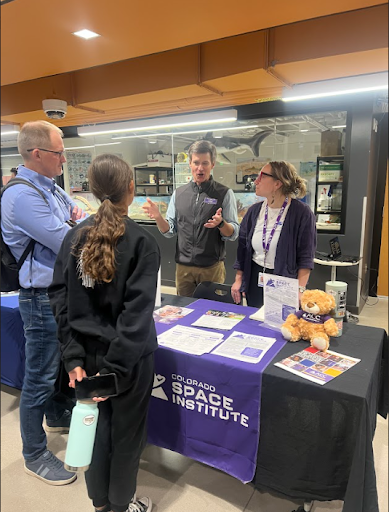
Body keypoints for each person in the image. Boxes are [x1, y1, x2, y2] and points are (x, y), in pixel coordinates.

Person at [49, 154, 160, 512]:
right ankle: (120, 505)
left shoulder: (73, 237)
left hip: (85, 357)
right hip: (127, 363)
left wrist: (73, 357)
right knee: (126, 438)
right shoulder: (143, 242)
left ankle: (101, 504)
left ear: (93, 191)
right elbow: (136, 316)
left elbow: (60, 299)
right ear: (131, 187)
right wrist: (111, 372)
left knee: (95, 433)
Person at [1, 120, 86, 485]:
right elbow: (67, 238)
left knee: (59, 365)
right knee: (38, 376)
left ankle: (55, 414)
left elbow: (78, 210)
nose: (64, 158)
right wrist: (74, 222)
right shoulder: (20, 196)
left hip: (60, 293)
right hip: (39, 299)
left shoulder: (48, 187)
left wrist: (76, 218)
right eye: (59, 152)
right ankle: (34, 453)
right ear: (38, 154)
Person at [142, 140, 239, 297]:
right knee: (183, 312)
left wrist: (221, 224)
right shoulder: (179, 193)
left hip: (211, 268)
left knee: (210, 313)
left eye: (205, 163)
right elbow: (170, 230)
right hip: (183, 269)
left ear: (213, 164)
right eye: (196, 163)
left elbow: (233, 233)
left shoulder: (224, 193)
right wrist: (158, 217)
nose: (200, 168)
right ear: (190, 164)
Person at [231, 161, 316, 308]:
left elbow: (306, 256)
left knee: (279, 326)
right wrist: (239, 279)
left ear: (277, 184)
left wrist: (300, 289)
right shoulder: (253, 211)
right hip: (254, 279)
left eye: (262, 176)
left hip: (284, 280)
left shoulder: (302, 213)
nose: (255, 181)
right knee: (254, 323)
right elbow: (243, 249)